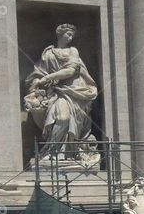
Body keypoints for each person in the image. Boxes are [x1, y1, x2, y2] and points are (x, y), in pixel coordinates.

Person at [24, 23, 99, 160]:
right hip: (56, 92)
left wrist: (47, 78)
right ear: (60, 34)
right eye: (68, 34)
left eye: (72, 36)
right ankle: (52, 153)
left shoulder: (73, 51)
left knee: (70, 121)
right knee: (61, 118)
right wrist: (37, 82)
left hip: (75, 92)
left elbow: (70, 71)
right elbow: (38, 74)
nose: (70, 38)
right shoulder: (48, 53)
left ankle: (67, 154)